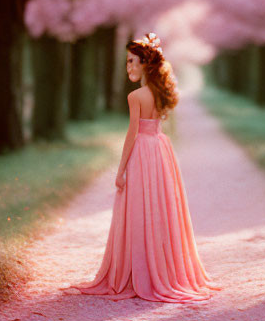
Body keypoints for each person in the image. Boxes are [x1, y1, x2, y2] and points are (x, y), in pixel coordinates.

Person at [61, 33, 221, 302]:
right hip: (160, 149)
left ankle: (139, 272)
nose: (129, 67)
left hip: (143, 151)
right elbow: (159, 125)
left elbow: (132, 134)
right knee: (159, 206)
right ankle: (162, 268)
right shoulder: (160, 93)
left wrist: (121, 170)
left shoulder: (136, 96)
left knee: (138, 207)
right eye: (126, 62)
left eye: (132, 61)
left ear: (146, 64)